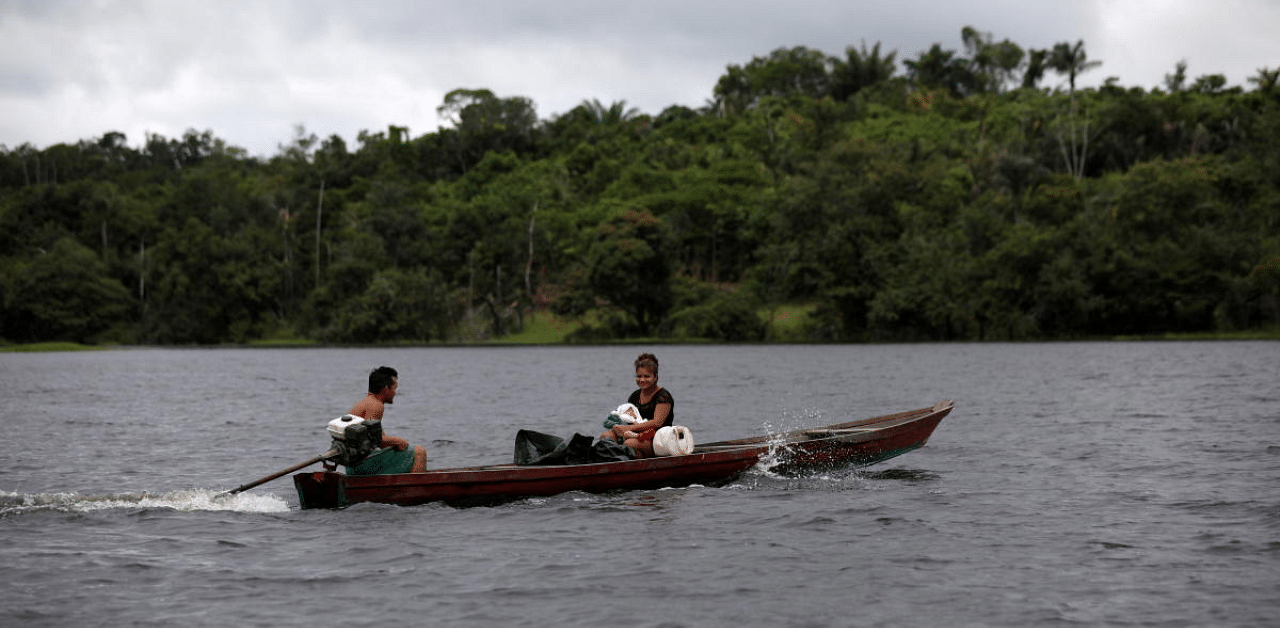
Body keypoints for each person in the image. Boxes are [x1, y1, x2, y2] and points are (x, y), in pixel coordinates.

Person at [346, 366, 427, 474]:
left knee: (402, 450)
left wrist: (391, 442)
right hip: (362, 465)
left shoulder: (364, 402)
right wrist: (398, 441)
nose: (395, 392)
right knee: (420, 452)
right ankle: (414, 490)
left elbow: (374, 437)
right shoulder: (376, 405)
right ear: (385, 388)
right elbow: (375, 440)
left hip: (353, 465)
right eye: (394, 388)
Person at [599, 353, 674, 458]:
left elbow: (657, 422)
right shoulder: (635, 396)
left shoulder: (663, 396)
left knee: (630, 444)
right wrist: (619, 428)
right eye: (639, 376)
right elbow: (629, 418)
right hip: (635, 435)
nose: (642, 380)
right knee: (606, 436)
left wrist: (628, 430)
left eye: (646, 376)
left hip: (657, 440)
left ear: (656, 377)